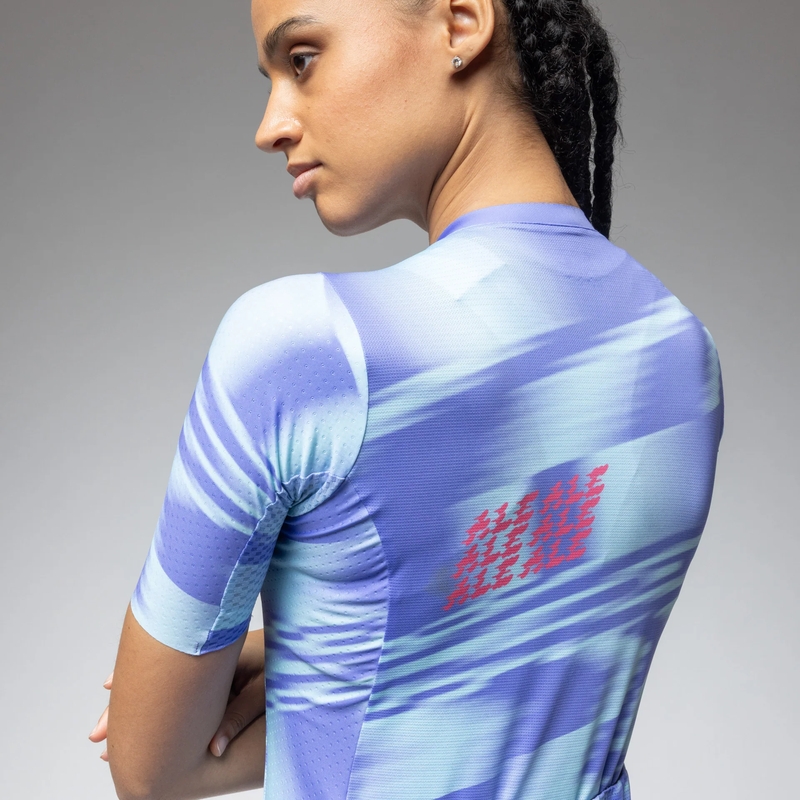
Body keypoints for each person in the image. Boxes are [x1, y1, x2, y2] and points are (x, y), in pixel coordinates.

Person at [88, 0, 725, 797]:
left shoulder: (305, 348)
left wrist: (311, 678)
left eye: (302, 60)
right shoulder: (682, 353)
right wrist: (336, 656)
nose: (270, 126)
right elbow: (523, 660)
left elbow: (150, 764)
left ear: (461, 23)